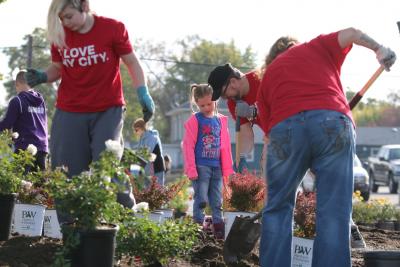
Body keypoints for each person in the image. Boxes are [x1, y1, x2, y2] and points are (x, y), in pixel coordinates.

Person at [254, 28, 396, 266]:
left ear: (272, 58)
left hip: (285, 128)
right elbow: (351, 33)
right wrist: (379, 49)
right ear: (295, 45)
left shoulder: (268, 77)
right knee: (333, 212)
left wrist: (273, 187)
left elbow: (271, 141)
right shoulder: (316, 47)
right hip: (332, 121)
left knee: (277, 209)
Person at [24, 0, 154, 179]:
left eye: (69, 16)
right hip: (70, 110)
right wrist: (43, 76)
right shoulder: (61, 34)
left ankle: (123, 206)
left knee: (108, 169)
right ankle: (68, 207)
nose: (66, 23)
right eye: (62, 19)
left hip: (107, 110)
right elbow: (58, 68)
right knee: (65, 172)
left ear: (84, 6)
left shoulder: (112, 28)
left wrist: (142, 92)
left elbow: (131, 62)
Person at [208, 38, 298, 174]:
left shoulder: (262, 77)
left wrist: (254, 112)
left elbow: (285, 108)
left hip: (297, 127)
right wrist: (240, 158)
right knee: (269, 171)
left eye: (224, 94)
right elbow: (246, 135)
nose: (226, 98)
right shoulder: (233, 103)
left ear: (232, 82)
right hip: (275, 138)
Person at [182, 84, 234, 239]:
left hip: (217, 167)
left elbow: (225, 147)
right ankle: (198, 230)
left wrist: (227, 170)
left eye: (209, 104)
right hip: (201, 167)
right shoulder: (195, 120)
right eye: (202, 105)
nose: (206, 107)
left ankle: (218, 232)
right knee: (201, 199)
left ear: (215, 100)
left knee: (217, 201)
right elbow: (188, 145)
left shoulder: (220, 121)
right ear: (197, 103)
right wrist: (191, 169)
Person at [0, 70, 48, 172]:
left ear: (17, 84)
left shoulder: (17, 101)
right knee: (41, 184)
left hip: (24, 149)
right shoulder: (41, 100)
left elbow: (7, 124)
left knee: (23, 184)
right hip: (42, 147)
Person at [133, 118, 165, 186]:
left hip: (157, 168)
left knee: (158, 191)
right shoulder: (142, 139)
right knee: (147, 192)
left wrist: (137, 155)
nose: (135, 132)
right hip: (147, 170)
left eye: (136, 130)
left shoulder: (152, 137)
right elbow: (139, 153)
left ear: (142, 128)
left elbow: (147, 152)